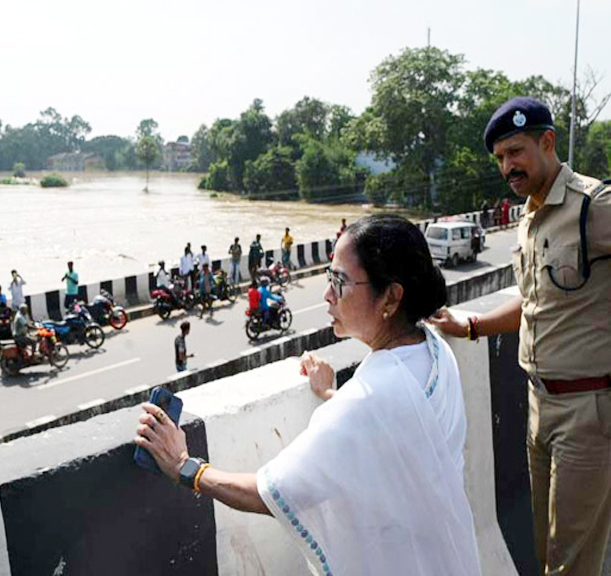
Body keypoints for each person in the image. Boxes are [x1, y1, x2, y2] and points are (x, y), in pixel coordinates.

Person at [135, 214, 481, 574]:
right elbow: (393, 427)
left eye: (340, 281)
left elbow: (270, 492)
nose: (327, 295)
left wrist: (184, 466)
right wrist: (332, 393)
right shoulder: (435, 351)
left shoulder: (367, 400)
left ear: (390, 298)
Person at [430, 96, 611, 575]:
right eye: (501, 159)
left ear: (547, 142)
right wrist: (470, 325)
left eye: (515, 152)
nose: (507, 166)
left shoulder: (595, 206)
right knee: (545, 549)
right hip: (538, 407)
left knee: (572, 563)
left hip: (589, 412)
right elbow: (534, 306)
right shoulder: (530, 217)